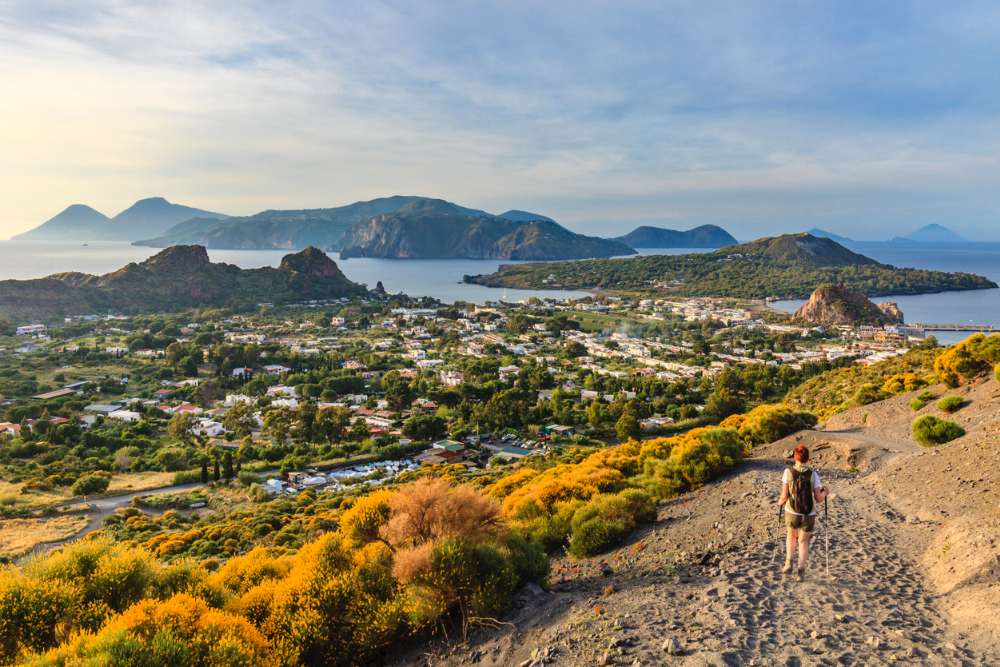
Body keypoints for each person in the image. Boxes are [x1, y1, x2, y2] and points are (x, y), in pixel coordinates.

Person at [777, 444, 828, 579]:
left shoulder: (788, 472)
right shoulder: (813, 474)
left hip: (792, 512)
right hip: (808, 513)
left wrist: (779, 502)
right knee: (803, 542)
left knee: (791, 536)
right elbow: (818, 498)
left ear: (795, 457)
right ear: (808, 458)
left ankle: (788, 563)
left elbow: (784, 496)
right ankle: (801, 572)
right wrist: (826, 492)